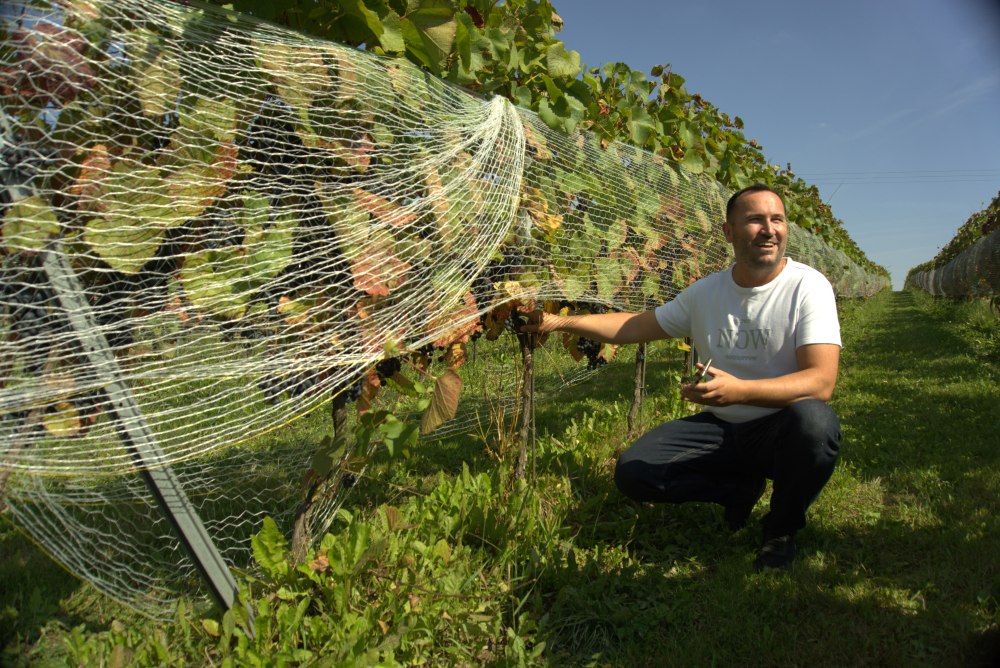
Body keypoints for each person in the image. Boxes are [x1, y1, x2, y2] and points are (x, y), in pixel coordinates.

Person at [521, 184, 842, 571]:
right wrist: (559, 321)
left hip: (779, 430)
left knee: (815, 424)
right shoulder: (706, 293)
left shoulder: (808, 287)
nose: (769, 229)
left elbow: (821, 382)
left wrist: (739, 391)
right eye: (755, 219)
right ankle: (736, 489)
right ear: (729, 232)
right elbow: (635, 326)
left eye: (777, 219)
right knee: (634, 472)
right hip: (722, 427)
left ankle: (780, 529)